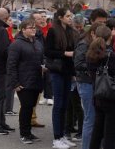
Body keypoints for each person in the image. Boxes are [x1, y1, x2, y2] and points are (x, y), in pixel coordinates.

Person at [87, 26, 115, 149]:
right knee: (110, 135)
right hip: (112, 99)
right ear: (110, 37)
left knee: (97, 132)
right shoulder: (111, 56)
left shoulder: (90, 54)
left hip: (98, 96)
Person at [44, 8, 78, 149]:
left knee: (65, 104)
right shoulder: (53, 31)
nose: (70, 18)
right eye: (68, 16)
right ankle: (56, 137)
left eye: (71, 16)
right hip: (57, 70)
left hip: (68, 71)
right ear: (60, 17)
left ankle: (63, 135)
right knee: (58, 104)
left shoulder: (71, 31)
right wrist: (65, 53)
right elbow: (48, 51)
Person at [7, 19, 43, 144]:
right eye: (30, 27)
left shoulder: (37, 43)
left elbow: (40, 60)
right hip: (23, 82)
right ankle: (24, 133)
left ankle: (28, 132)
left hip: (36, 80)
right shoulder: (17, 44)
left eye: (34, 27)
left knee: (31, 107)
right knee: (26, 107)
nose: (33, 29)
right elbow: (11, 65)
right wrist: (15, 83)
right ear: (23, 30)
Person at [74, 22, 105, 149]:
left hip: (93, 83)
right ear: (93, 33)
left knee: (95, 119)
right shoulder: (84, 44)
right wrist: (94, 67)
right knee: (90, 119)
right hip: (86, 83)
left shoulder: (94, 44)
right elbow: (78, 63)